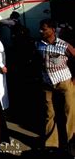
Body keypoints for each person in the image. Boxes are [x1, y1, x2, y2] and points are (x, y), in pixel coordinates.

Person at [36, 18, 75, 153]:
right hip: (47, 84)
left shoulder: (64, 45)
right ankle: (51, 143)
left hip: (64, 82)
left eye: (44, 28)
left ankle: (71, 140)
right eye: (41, 28)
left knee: (70, 111)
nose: (41, 31)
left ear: (53, 30)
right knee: (49, 113)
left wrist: (74, 79)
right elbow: (39, 61)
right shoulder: (39, 44)